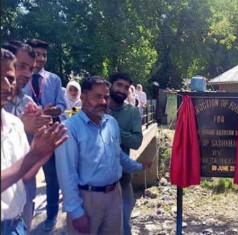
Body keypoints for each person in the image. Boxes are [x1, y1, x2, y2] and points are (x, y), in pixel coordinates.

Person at [55, 76, 151, 234]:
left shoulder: (111, 123)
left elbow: (117, 156)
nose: (103, 102)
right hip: (88, 199)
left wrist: (139, 166)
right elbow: (67, 174)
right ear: (83, 97)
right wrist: (76, 212)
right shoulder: (70, 128)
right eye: (97, 97)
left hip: (114, 195)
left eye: (105, 97)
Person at [1, 48, 68, 235]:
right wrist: (33, 153)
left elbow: (26, 176)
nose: (27, 73)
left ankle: (51, 216)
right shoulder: (17, 122)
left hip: (17, 221)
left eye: (29, 68)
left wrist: (44, 150)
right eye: (20, 66)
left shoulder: (20, 112)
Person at [23, 38, 66, 231]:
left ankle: (51, 216)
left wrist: (56, 109)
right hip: (25, 137)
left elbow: (63, 106)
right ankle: (23, 215)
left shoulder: (54, 79)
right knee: (25, 176)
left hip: (49, 136)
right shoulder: (19, 78)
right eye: (37, 54)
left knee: (52, 178)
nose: (41, 58)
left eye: (44, 55)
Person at [108, 73, 143, 235]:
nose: (122, 90)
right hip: (93, 180)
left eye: (126, 87)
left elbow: (136, 142)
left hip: (123, 177)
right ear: (111, 85)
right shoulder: (98, 108)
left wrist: (114, 131)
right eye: (119, 85)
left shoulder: (132, 113)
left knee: (124, 225)